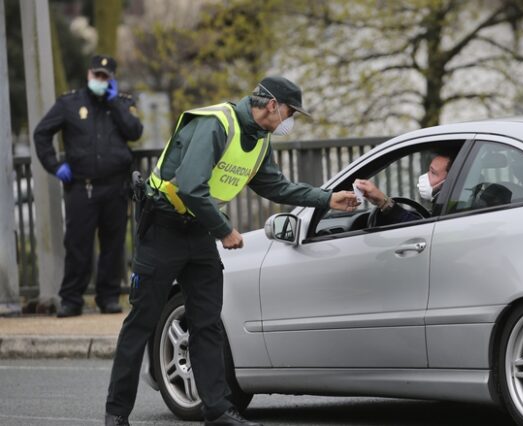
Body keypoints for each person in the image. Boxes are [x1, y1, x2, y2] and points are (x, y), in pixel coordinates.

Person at [104, 76, 358, 426]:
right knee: (141, 324)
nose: (289, 121)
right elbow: (191, 188)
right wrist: (224, 230)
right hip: (162, 229)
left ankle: (217, 410)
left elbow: (274, 185)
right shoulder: (216, 124)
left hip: (198, 232)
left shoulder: (259, 139)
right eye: (289, 112)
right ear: (271, 105)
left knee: (207, 323)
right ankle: (116, 413)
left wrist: (326, 199)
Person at [34, 54, 143, 318]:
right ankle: (71, 299)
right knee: (78, 245)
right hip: (82, 187)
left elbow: (135, 132)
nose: (100, 80)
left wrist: (114, 102)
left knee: (113, 245)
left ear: (112, 79)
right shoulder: (70, 103)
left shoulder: (122, 103)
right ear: (88, 74)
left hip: (115, 187)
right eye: (97, 75)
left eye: (105, 77)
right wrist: (55, 165)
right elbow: (42, 133)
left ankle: (108, 297)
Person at [354, 153, 451, 225]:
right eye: (429, 170)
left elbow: (421, 229)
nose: (425, 176)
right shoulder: (453, 206)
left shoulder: (453, 211)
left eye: (433, 173)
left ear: (449, 181)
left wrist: (383, 202)